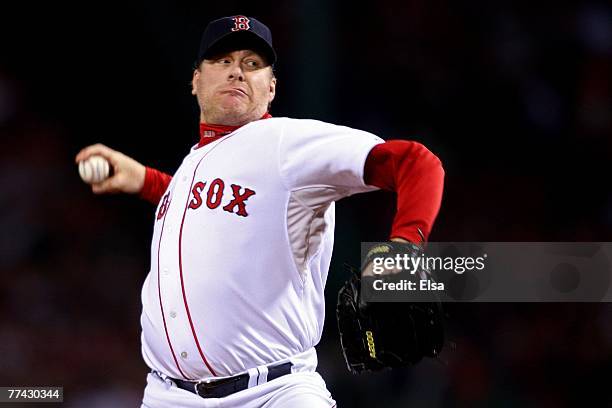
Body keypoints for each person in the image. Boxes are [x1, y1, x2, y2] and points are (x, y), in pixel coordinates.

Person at [75, 15, 444, 408]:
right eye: (223, 61)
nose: (237, 71)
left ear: (270, 88)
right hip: (168, 396)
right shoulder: (194, 162)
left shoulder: (286, 143)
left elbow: (415, 162)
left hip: (274, 392)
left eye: (252, 64)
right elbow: (214, 213)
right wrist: (146, 181)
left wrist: (403, 251)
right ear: (196, 80)